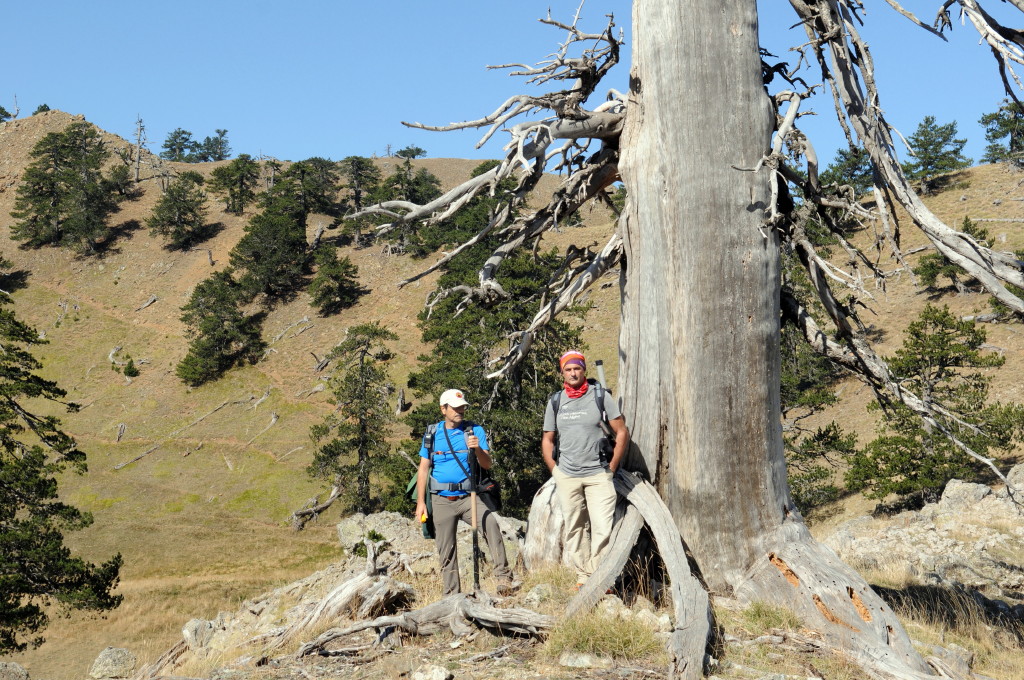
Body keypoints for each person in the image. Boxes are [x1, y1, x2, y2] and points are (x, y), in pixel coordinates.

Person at [415, 388, 516, 595]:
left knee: (490, 523)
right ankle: (451, 595)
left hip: (468, 496)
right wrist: (421, 502)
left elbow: (487, 464)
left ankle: (503, 578)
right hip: (441, 499)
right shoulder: (432, 434)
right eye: (455, 407)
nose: (460, 411)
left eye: (462, 407)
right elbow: (423, 468)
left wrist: (477, 449)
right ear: (443, 409)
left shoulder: (474, 430)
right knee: (446, 548)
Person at [542, 351, 630, 586]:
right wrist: (555, 470)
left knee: (602, 527)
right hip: (567, 476)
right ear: (562, 372)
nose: (573, 373)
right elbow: (548, 438)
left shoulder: (600, 397)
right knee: (575, 527)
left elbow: (621, 431)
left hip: (598, 474)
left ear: (584, 370)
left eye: (577, 368)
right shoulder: (556, 401)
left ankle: (599, 576)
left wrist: (611, 466)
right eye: (568, 369)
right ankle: (583, 576)